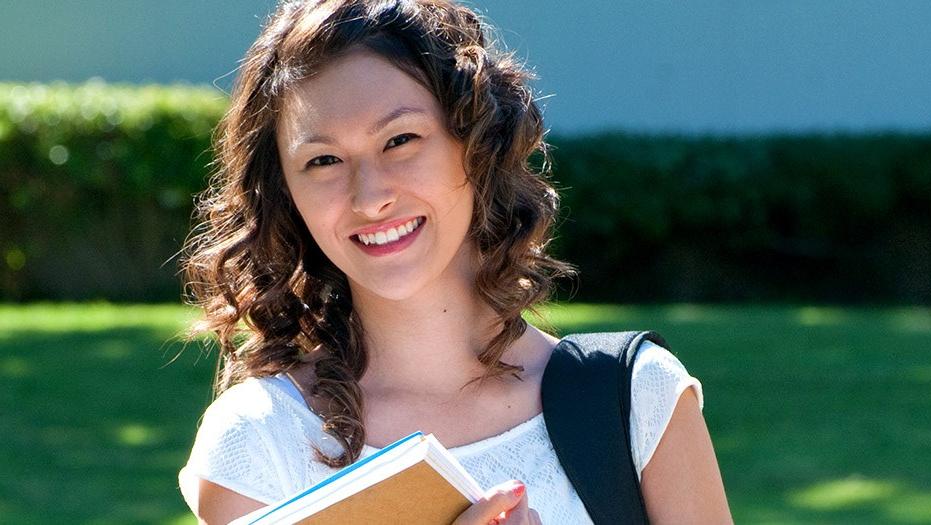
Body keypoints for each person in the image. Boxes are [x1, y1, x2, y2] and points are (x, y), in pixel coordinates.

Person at [175, 0, 733, 523]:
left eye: (400, 140)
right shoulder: (259, 440)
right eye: (323, 160)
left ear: (476, 146)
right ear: (286, 194)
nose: (369, 197)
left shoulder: (636, 401)